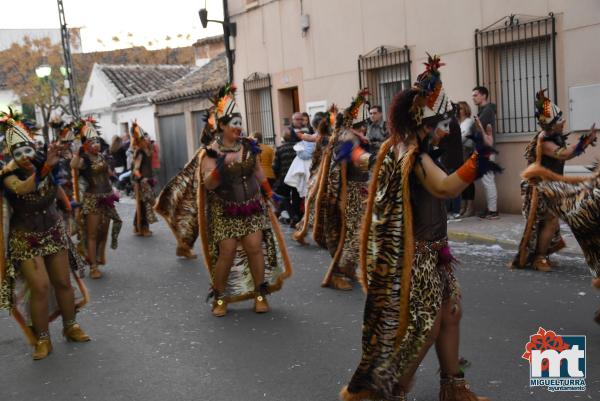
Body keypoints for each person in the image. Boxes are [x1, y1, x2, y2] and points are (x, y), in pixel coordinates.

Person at [340, 55, 495, 401]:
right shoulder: (415, 156)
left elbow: (367, 160)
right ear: (426, 123)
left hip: (434, 251)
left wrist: (353, 153)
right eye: (443, 124)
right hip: (416, 257)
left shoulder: (407, 149)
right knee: (426, 328)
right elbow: (445, 188)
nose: (447, 130)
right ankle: (387, 392)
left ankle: (453, 388)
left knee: (451, 313)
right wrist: (480, 160)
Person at [155, 84, 292, 317]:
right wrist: (219, 169)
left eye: (240, 123)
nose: (239, 128)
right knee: (226, 252)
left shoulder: (249, 146)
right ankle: (219, 296)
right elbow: (208, 184)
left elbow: (258, 172)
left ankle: (260, 294)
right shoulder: (211, 151)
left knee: (254, 248)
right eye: (234, 124)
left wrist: (270, 193)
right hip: (225, 209)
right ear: (221, 126)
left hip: (252, 207)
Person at [0, 110, 90, 360]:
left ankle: (70, 326)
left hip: (52, 231)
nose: (25, 157)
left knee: (62, 282)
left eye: (27, 150)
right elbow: (23, 188)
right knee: (39, 287)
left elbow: (55, 188)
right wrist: (46, 167)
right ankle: (42, 339)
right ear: (11, 155)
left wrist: (68, 205)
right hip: (24, 238)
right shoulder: (7, 176)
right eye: (18, 153)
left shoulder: (44, 165)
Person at [513, 89, 597, 272]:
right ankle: (539, 258)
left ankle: (542, 254)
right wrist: (584, 141)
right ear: (551, 125)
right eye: (559, 119)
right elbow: (564, 154)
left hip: (550, 185)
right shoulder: (544, 141)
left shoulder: (555, 136)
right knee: (549, 220)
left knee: (550, 221)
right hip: (539, 187)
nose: (563, 121)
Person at [315, 89, 372, 291]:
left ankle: (348, 269)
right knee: (348, 236)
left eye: (365, 125)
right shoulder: (344, 140)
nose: (364, 129)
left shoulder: (355, 138)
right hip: (347, 196)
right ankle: (336, 274)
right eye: (361, 125)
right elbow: (337, 170)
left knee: (360, 234)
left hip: (360, 192)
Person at [71, 118, 122, 279]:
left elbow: (107, 173)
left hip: (107, 197)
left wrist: (113, 179)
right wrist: (79, 152)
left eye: (97, 141)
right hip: (92, 199)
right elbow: (73, 166)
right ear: (85, 144)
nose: (96, 144)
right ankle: (93, 266)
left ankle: (97, 258)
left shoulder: (101, 156)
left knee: (103, 231)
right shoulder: (84, 159)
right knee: (92, 233)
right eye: (92, 142)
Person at [131, 121, 158, 237]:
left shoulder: (147, 150)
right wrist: (143, 179)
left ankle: (137, 226)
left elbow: (152, 154)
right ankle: (143, 227)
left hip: (148, 180)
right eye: (144, 138)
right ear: (140, 141)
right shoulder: (140, 152)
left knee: (144, 204)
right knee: (144, 205)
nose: (147, 139)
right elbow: (135, 170)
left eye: (147, 137)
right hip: (142, 182)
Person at [273, 126, 299, 224]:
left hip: (284, 177)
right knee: (296, 197)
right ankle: (296, 217)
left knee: (284, 197)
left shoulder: (280, 149)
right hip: (297, 176)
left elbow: (275, 166)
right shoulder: (299, 146)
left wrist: (277, 176)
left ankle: (293, 215)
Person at [457, 101, 475, 217]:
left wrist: (455, 140)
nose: (458, 111)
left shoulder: (469, 122)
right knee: (460, 181)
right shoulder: (458, 122)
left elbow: (463, 137)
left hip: (467, 153)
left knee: (468, 181)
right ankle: (462, 206)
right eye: (457, 109)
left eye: (460, 109)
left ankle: (470, 207)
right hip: (459, 153)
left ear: (465, 110)